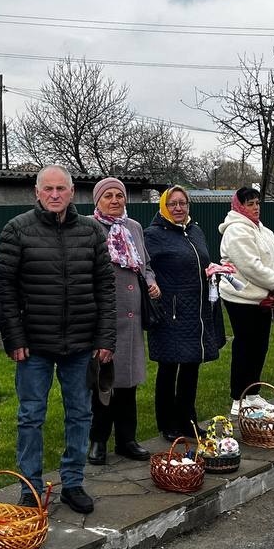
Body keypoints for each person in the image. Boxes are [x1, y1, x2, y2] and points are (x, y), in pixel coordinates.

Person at [0, 166, 115, 515]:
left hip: (80, 343)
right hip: (32, 344)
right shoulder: (17, 229)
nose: (54, 195)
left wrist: (105, 336)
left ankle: (73, 483)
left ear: (72, 190)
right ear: (36, 192)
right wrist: (14, 336)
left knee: (80, 414)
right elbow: (4, 288)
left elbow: (105, 288)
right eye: (47, 188)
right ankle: (29, 488)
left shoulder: (91, 231)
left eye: (60, 188)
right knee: (30, 416)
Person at [143, 186, 223, 441]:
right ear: (164, 207)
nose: (178, 208)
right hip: (170, 312)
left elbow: (200, 261)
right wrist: (152, 284)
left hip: (196, 311)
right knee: (169, 368)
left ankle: (187, 421)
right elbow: (144, 268)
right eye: (173, 204)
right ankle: (167, 423)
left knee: (191, 367)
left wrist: (211, 270)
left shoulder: (195, 231)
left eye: (183, 203)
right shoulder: (153, 235)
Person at [86, 178, 155, 466]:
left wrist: (151, 282)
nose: (115, 201)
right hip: (104, 314)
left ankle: (127, 440)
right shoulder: (88, 227)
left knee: (128, 382)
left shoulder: (134, 228)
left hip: (132, 314)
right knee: (103, 382)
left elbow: (146, 264)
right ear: (97, 201)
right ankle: (98, 440)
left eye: (120, 196)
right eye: (108, 196)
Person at [218, 187, 274, 416]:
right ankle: (238, 399)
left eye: (258, 203)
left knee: (260, 346)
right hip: (241, 297)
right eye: (250, 204)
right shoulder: (236, 231)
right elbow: (250, 266)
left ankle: (253, 394)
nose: (256, 207)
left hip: (262, 298)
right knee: (245, 347)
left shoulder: (263, 230)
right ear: (240, 206)